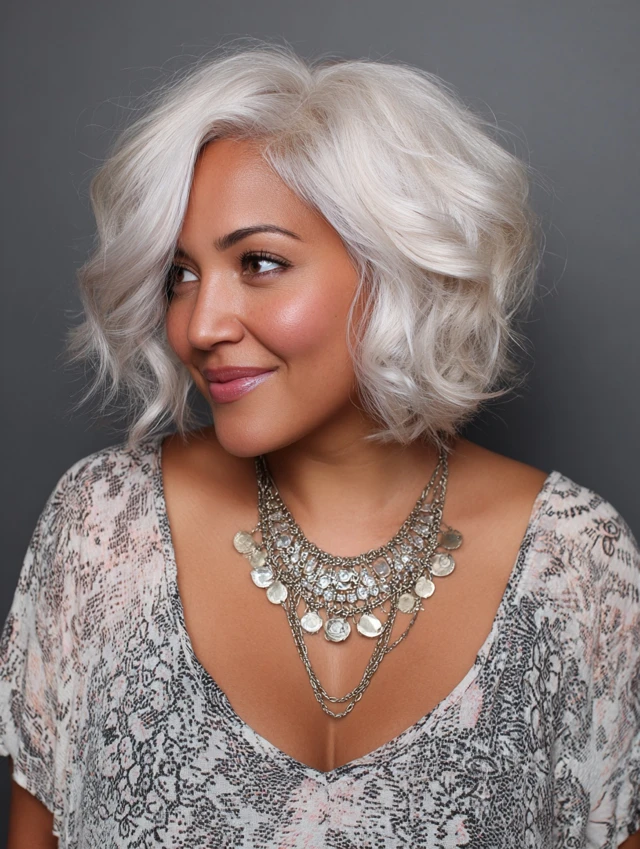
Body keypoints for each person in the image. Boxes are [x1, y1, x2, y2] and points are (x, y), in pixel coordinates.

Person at [1, 42, 638, 849]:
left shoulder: (575, 566)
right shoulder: (105, 531)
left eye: (259, 262)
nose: (201, 325)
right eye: (181, 274)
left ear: (392, 266)